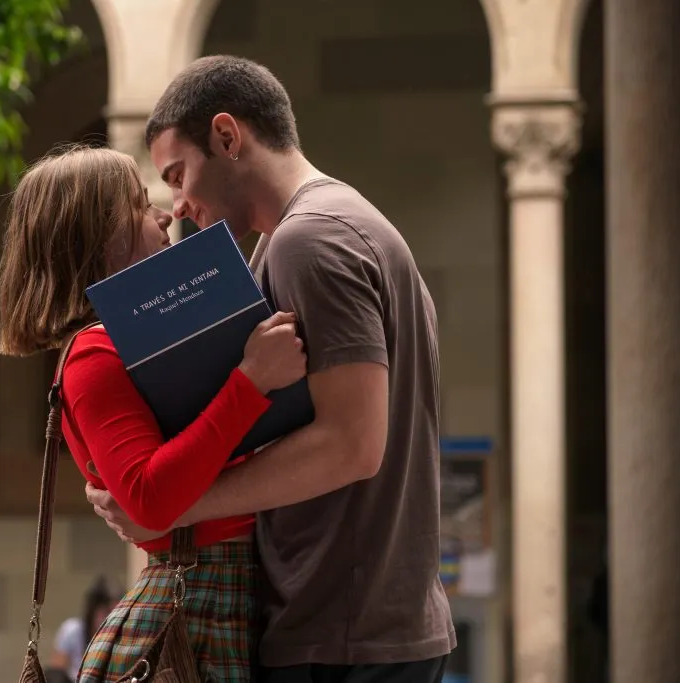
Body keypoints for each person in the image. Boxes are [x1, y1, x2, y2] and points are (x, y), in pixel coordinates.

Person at [86, 55, 456, 683]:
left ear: (228, 137)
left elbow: (352, 445)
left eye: (178, 175)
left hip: (342, 637)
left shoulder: (308, 240)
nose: (176, 206)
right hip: (360, 629)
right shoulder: (336, 222)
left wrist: (177, 507)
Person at [0, 144, 307, 683]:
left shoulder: (127, 345)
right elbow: (149, 495)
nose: (164, 215)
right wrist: (251, 381)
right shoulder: (93, 352)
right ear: (96, 235)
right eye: (140, 206)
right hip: (191, 615)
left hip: (218, 601)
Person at [49, 576, 122, 683]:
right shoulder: (72, 630)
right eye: (107, 612)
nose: (111, 619)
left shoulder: (121, 635)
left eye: (116, 613)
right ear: (92, 610)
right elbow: (56, 671)